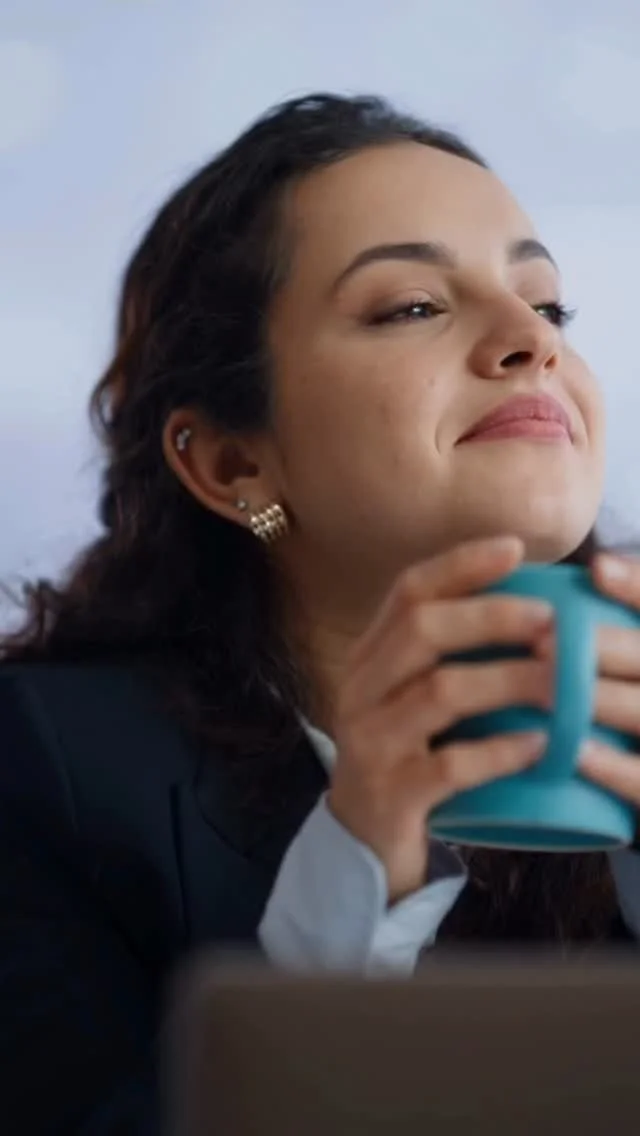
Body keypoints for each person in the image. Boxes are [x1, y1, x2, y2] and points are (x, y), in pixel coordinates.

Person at [2, 91, 640, 1134]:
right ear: (232, 463)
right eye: (413, 306)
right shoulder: (40, 770)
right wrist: (355, 871)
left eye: (550, 305)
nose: (532, 340)